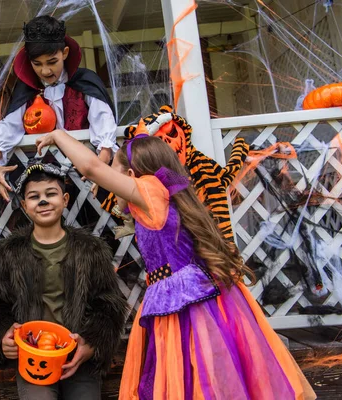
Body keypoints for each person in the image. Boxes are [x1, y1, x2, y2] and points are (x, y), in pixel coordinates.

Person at [35, 129, 316, 400]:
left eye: (117, 175)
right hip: (185, 299)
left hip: (184, 307)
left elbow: (92, 169)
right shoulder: (164, 196)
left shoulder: (150, 191)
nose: (111, 186)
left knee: (195, 379)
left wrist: (59, 134)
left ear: (132, 176)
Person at [0, 163, 128, 400]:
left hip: (77, 353)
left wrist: (92, 342)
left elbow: (109, 305)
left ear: (65, 199)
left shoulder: (91, 250)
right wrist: (2, 335)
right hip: (34, 355)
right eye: (34, 197)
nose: (43, 201)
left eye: (51, 194)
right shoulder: (7, 253)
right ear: (25, 206)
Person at [0, 16, 118, 201]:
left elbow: (103, 120)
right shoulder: (26, 90)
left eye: (52, 61)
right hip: (46, 180)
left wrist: (101, 164)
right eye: (37, 64)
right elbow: (9, 125)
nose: (45, 71)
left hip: (86, 171)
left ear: (64, 53)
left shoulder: (85, 81)